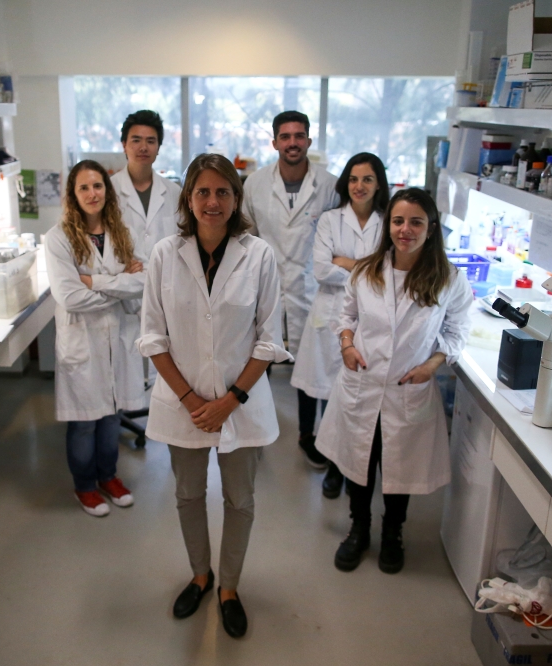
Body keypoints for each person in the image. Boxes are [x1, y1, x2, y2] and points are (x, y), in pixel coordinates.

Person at [139, 153, 290, 639]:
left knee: (240, 499)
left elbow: (269, 339)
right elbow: (153, 337)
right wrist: (189, 400)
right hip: (182, 404)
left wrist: (230, 400)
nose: (212, 201)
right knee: (187, 495)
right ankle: (200, 576)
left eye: (222, 191)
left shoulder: (259, 255)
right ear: (188, 197)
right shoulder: (165, 254)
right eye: (202, 191)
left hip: (240, 405)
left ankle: (228, 587)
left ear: (236, 198)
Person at [315, 188, 472, 574]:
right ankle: (359, 530)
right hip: (362, 383)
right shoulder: (367, 270)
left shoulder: (448, 279)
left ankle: (393, 533)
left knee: (399, 469)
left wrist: (432, 364)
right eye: (398, 221)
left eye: (416, 222)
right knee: (360, 463)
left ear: (431, 229)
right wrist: (347, 345)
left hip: (408, 387)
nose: (405, 229)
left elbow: (457, 332)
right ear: (389, 226)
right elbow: (346, 315)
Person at [45, 160, 146, 517]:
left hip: (117, 338)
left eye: (98, 186)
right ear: (73, 195)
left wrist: (95, 282)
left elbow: (144, 282)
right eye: (84, 188)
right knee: (85, 420)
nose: (92, 193)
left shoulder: (123, 232)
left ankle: (109, 476)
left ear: (107, 189)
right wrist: (119, 287)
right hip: (82, 341)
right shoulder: (57, 238)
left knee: (111, 415)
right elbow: (69, 296)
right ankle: (85, 486)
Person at [242, 110, 338, 469]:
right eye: (285, 136)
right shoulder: (254, 184)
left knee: (313, 369)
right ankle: (254, 430)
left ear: (309, 141)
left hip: (314, 288)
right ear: (275, 142)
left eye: (299, 136)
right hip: (265, 288)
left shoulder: (329, 185)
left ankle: (309, 437)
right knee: (258, 361)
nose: (292, 142)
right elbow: (246, 236)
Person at [291, 153, 389, 499]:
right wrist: (369, 268)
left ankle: (342, 467)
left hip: (370, 320)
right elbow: (321, 270)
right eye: (353, 179)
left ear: (379, 185)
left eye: (367, 179)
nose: (359, 186)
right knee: (325, 391)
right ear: (345, 183)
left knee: (353, 398)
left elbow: (387, 273)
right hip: (329, 313)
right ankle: (332, 465)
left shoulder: (388, 221)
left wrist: (346, 262)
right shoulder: (331, 220)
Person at [110, 110, 183, 261]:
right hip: (123, 280)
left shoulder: (174, 193)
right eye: (136, 140)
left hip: (166, 279)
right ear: (124, 145)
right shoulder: (108, 191)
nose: (143, 147)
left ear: (158, 148)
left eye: (150, 141)